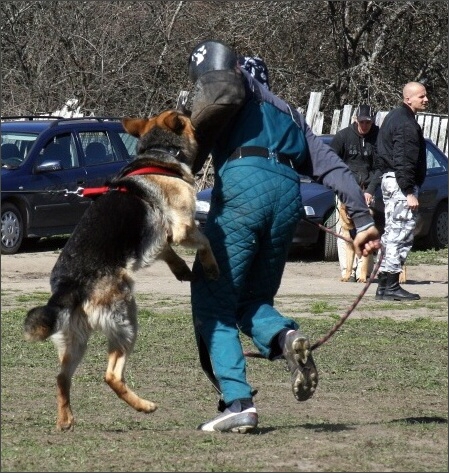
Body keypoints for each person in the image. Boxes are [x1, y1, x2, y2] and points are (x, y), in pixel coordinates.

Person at [187, 39, 381, 433]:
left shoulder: (234, 95)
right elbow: (335, 170)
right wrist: (363, 222)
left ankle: (238, 403)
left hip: (243, 188)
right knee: (252, 300)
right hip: (288, 197)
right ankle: (285, 336)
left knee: (213, 302)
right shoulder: (292, 115)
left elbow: (189, 149)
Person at [374, 81, 428, 301]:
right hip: (399, 184)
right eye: (421, 96)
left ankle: (383, 285)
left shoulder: (393, 118)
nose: (426, 99)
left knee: (391, 232)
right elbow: (404, 159)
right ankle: (392, 286)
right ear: (408, 99)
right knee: (401, 233)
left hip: (389, 180)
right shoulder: (405, 123)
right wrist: (408, 191)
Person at [330, 104, 380, 282]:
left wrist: (371, 190)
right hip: (346, 189)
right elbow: (332, 162)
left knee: (367, 229)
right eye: (361, 122)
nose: (365, 125)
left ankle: (363, 272)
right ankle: (347, 271)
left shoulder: (378, 137)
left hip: (368, 190)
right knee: (344, 232)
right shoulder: (343, 136)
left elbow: (379, 167)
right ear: (355, 120)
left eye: (368, 122)